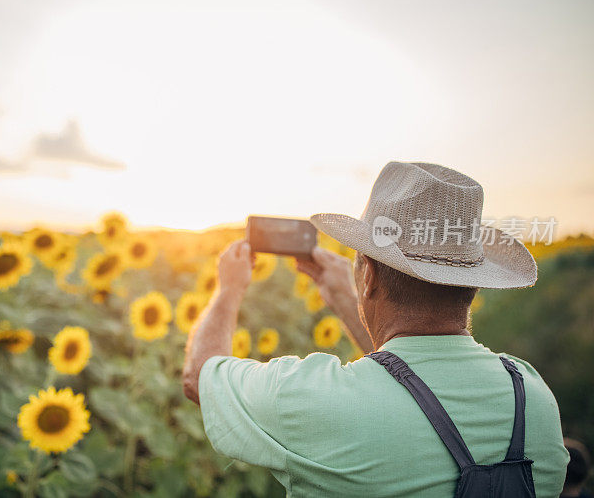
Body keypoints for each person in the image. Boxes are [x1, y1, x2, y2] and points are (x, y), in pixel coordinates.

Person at [182, 161, 569, 497]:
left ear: (367, 277)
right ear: (474, 281)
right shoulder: (535, 399)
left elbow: (200, 375)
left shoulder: (316, 399)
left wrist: (229, 289)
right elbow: (410, 384)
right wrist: (345, 296)